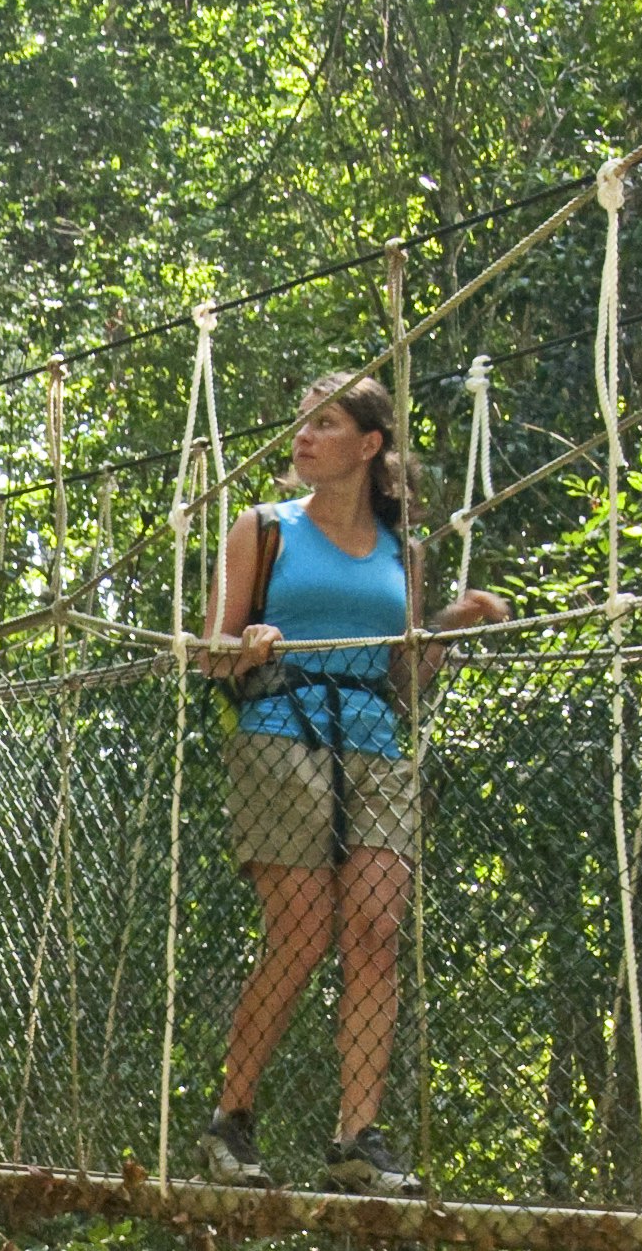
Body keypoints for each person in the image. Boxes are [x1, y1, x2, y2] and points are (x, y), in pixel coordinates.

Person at [194, 369, 502, 1194]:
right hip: (277, 734)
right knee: (302, 930)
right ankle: (232, 1118)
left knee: (374, 929)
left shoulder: (408, 553)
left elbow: (404, 681)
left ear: (368, 446)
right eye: (301, 424)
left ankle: (356, 1137)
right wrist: (248, 642)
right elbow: (206, 653)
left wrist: (446, 629)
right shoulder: (263, 529)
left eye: (323, 425)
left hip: (374, 740)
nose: (301, 438)